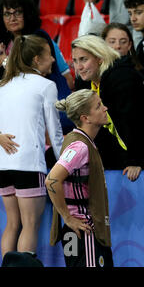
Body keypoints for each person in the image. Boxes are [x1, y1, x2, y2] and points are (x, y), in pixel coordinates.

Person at [0, 34, 64, 257]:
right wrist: (66, 162)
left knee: (12, 224)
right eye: (49, 55)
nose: (54, 60)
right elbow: (55, 132)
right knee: (29, 225)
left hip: (4, 165)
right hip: (29, 164)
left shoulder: (4, 85)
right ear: (37, 59)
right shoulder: (47, 86)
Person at [72, 34, 144, 180]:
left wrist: (137, 160)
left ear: (100, 58)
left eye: (84, 59)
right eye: (75, 61)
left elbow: (137, 123)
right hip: (113, 153)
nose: (79, 67)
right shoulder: (84, 82)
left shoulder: (122, 77)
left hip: (142, 153)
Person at [45, 89, 113, 267]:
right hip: (84, 230)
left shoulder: (79, 141)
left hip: (75, 232)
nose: (105, 108)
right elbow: (51, 180)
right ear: (85, 118)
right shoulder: (80, 147)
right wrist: (68, 217)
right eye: (98, 106)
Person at [0, 0, 74, 134]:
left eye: (18, 12)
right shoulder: (5, 43)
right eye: (7, 14)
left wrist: (4, 61)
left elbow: (31, 75)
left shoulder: (38, 38)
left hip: (45, 106)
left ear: (27, 14)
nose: (12, 18)